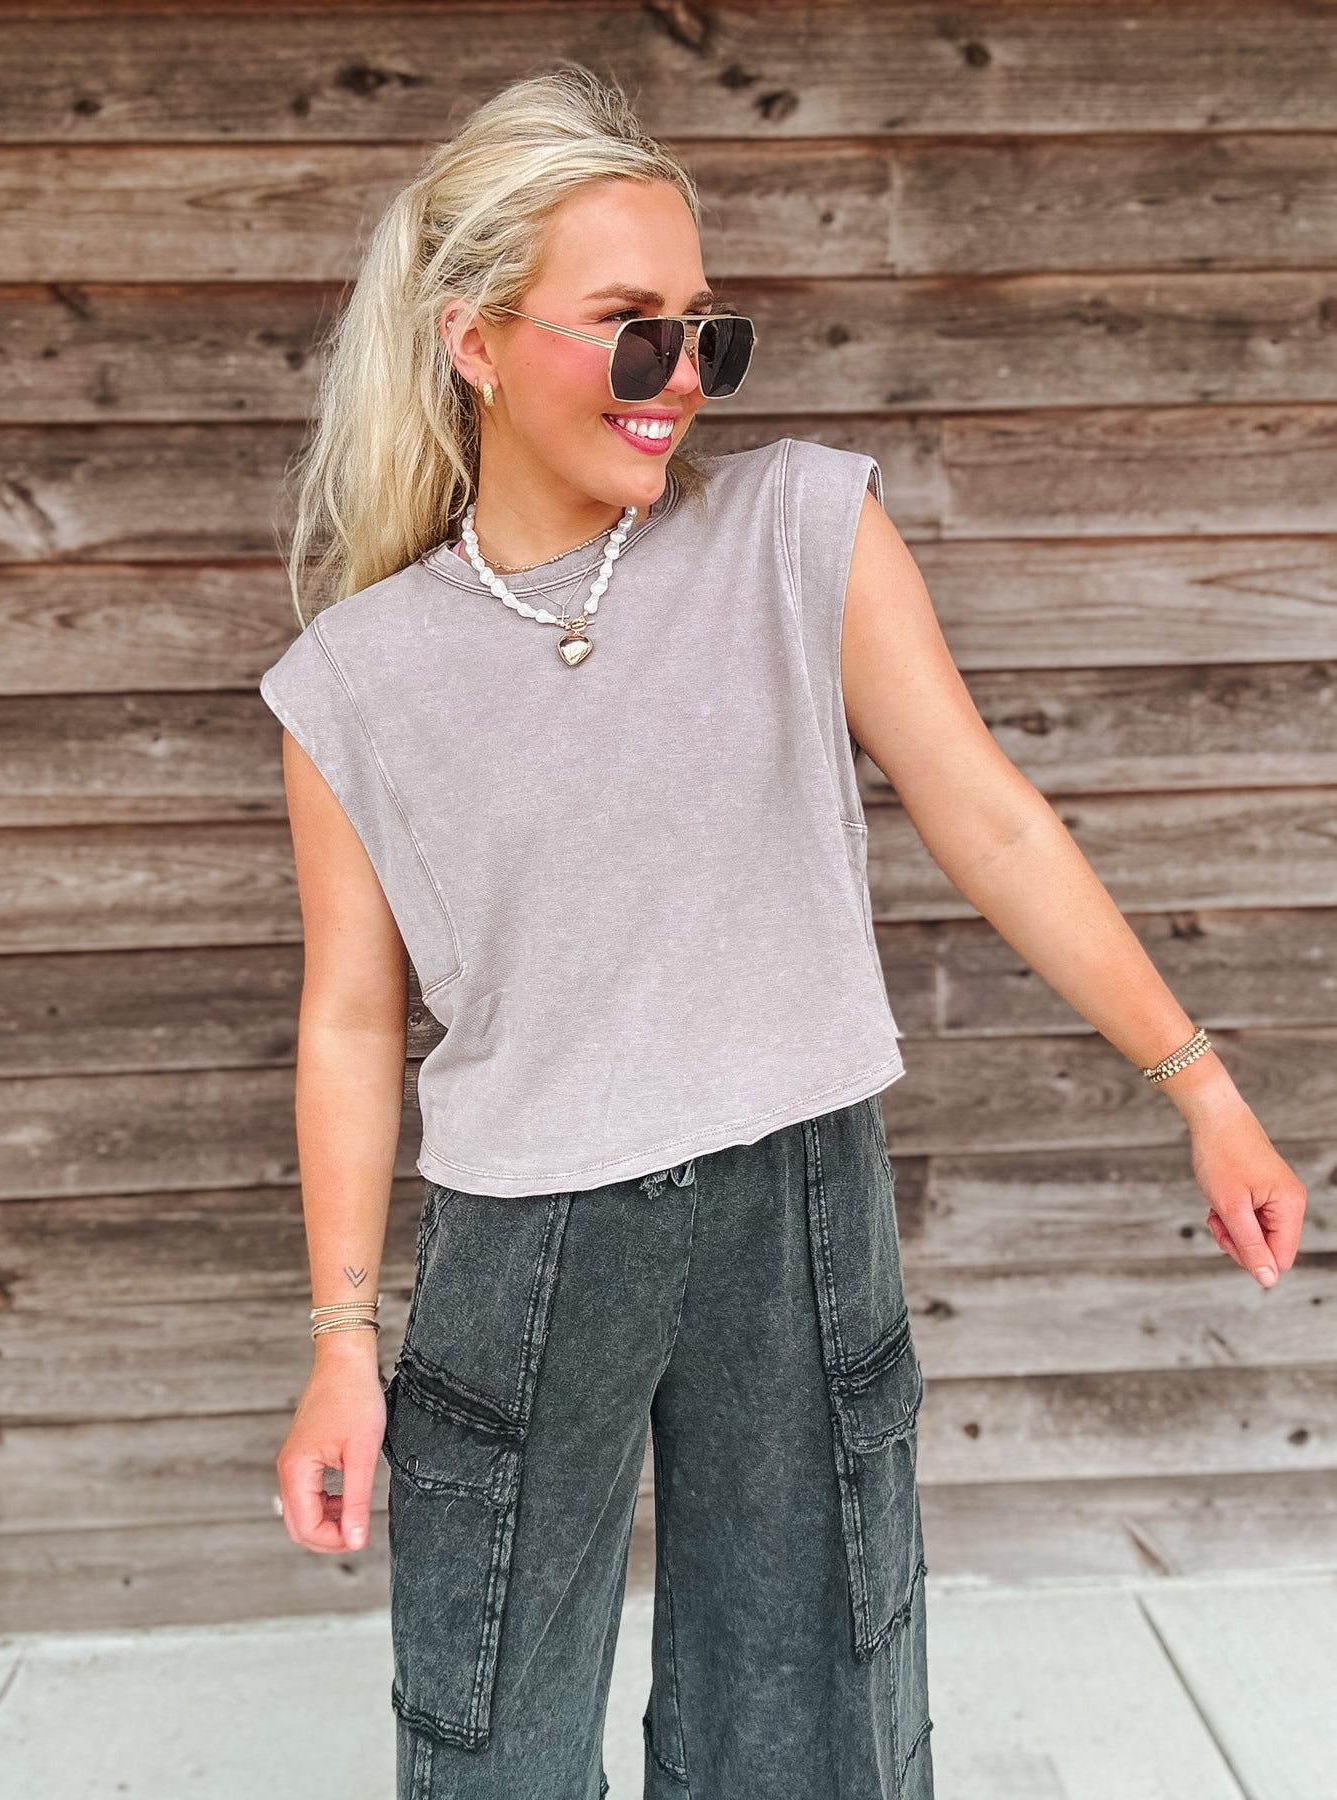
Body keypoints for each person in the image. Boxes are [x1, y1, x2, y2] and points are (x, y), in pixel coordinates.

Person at [260, 63, 1307, 1800]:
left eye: (704, 333)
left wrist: (1198, 1085)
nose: (680, 379)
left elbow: (987, 816)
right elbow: (351, 1024)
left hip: (797, 1209)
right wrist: (339, 1345)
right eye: (632, 331)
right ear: (474, 340)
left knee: (811, 1719)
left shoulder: (798, 531)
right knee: (489, 1736)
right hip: (526, 1249)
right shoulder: (355, 681)